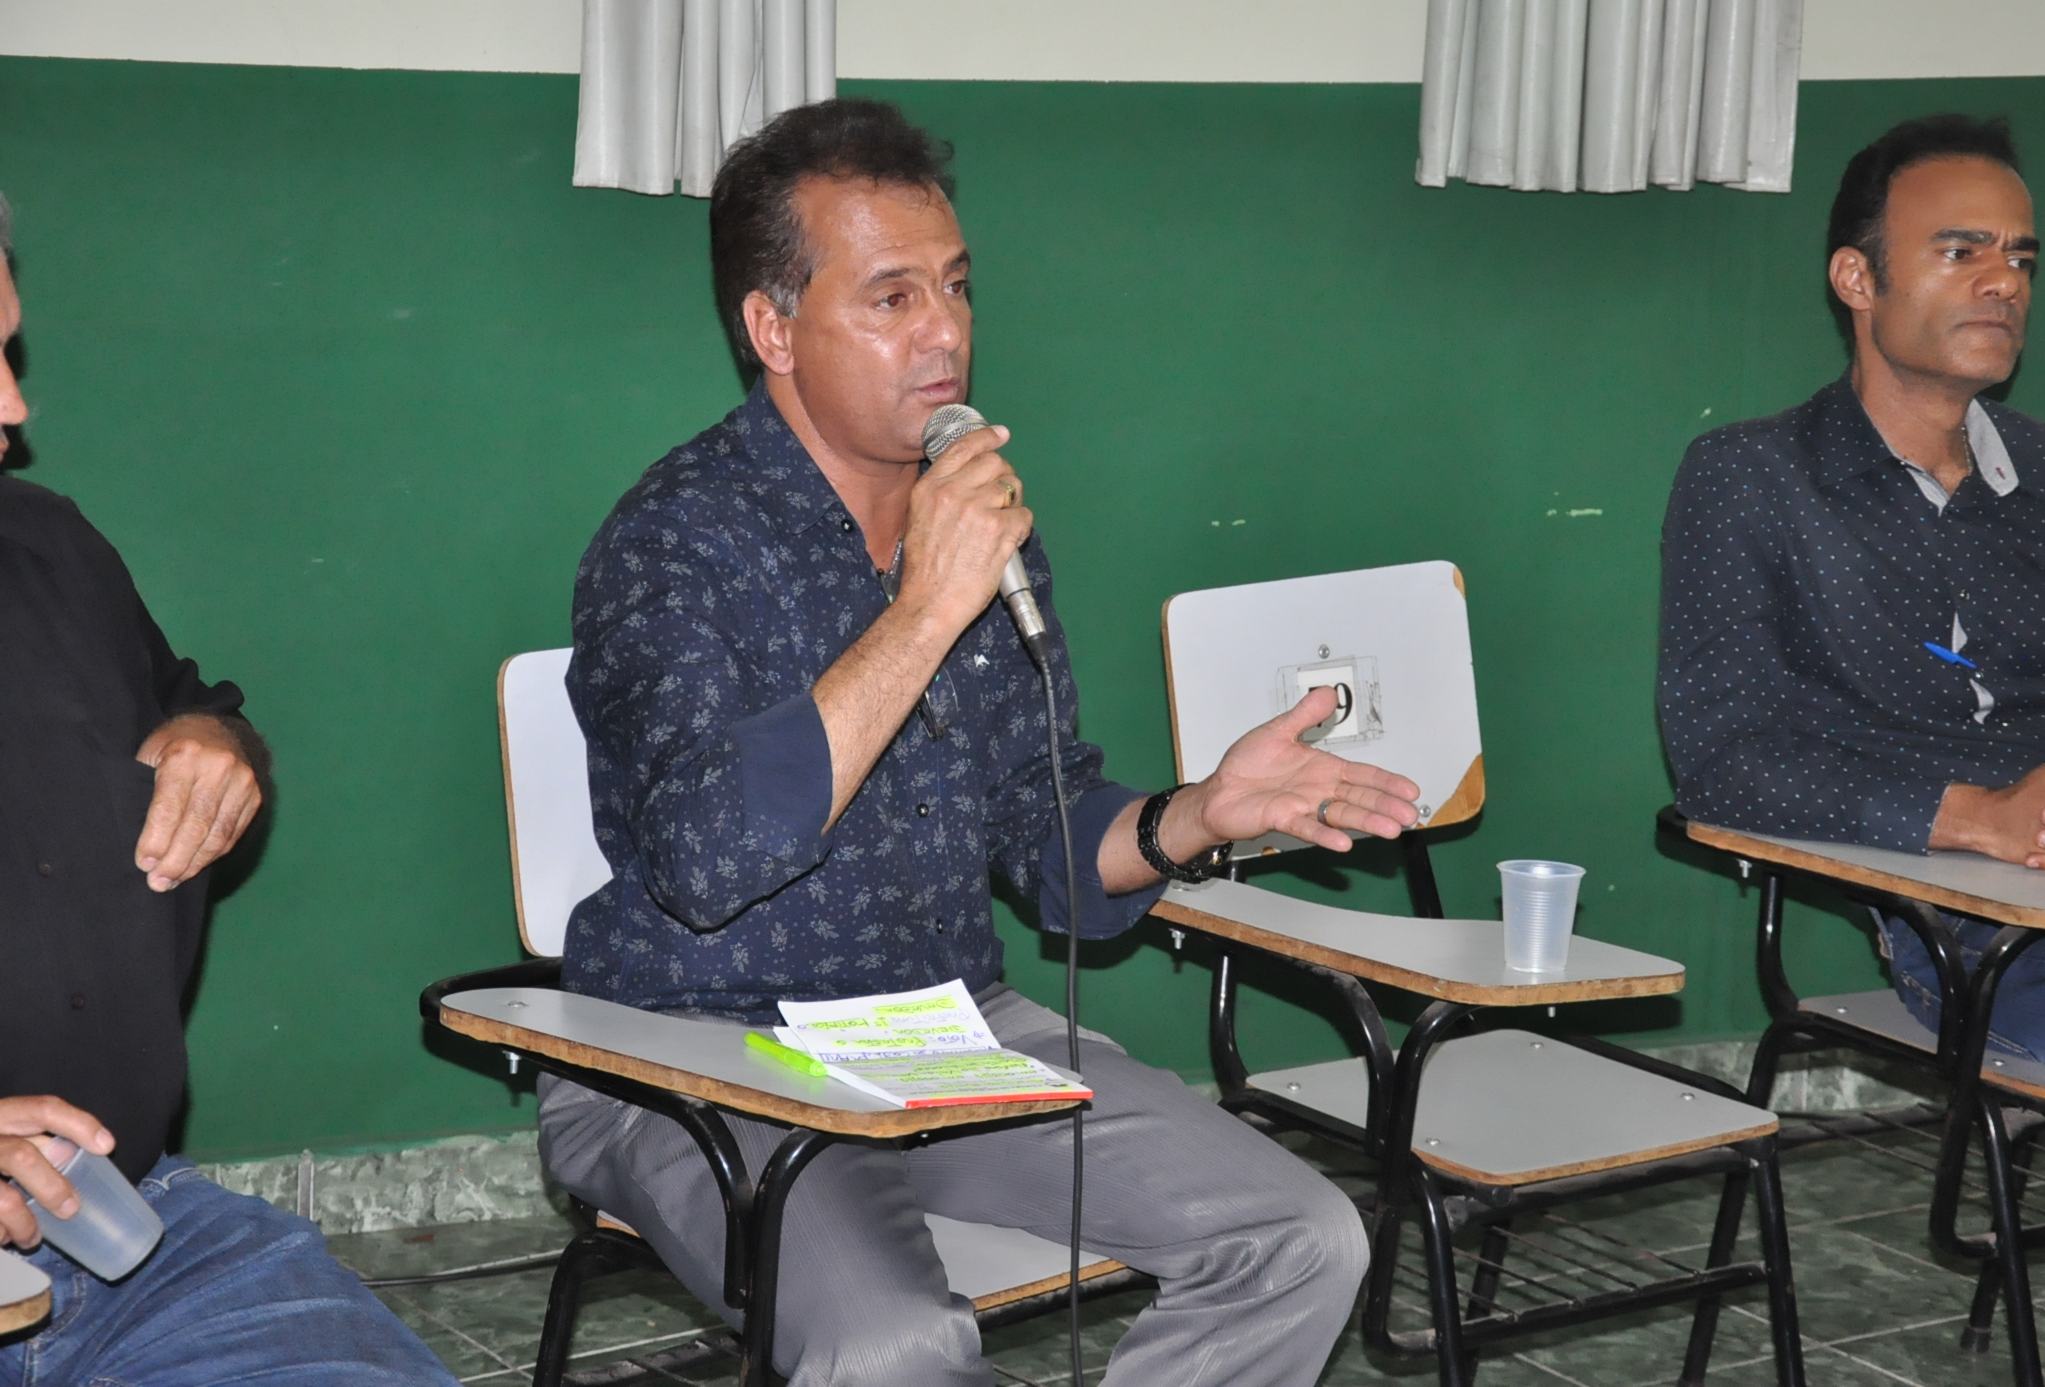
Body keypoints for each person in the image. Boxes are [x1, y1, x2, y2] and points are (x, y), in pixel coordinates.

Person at [542, 98, 1423, 1387]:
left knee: (1301, 1237)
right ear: (773, 329)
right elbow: (704, 859)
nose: (944, 331)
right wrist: (922, 611)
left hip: (935, 1031)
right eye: (890, 298)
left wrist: (1194, 816)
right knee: (888, 1346)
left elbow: (1040, 827)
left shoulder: (977, 522)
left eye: (954, 286)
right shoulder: (669, 546)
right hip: (698, 1044)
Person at [0, 193, 458, 1383]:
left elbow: (195, 704)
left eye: (7, 351)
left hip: (132, 1230)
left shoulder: (47, 545)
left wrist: (214, 740)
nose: (14, 407)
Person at [1657, 115, 2045, 1079]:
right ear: (1857, 279)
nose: (2004, 282)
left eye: (2020, 257)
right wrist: (1985, 817)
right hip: (1973, 931)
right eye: (1962, 252)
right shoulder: (1754, 478)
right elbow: (1722, 760)